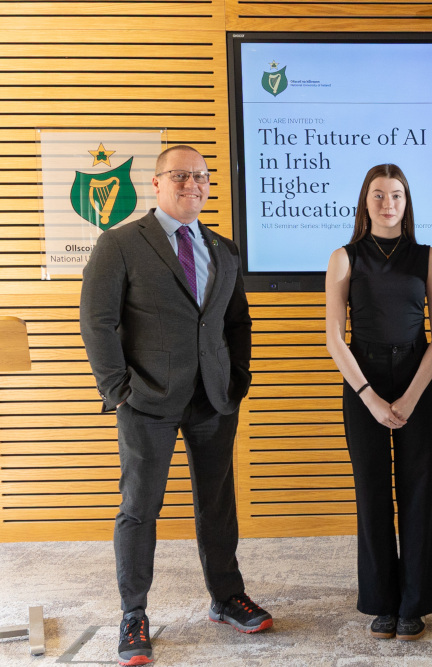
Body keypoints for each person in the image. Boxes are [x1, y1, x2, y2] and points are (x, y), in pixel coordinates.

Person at [80, 145, 272, 666]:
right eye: (182, 175)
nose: (194, 184)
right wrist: (117, 388)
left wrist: (238, 378)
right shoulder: (119, 244)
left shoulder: (224, 249)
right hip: (147, 399)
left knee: (217, 505)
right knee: (140, 508)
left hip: (213, 398)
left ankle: (226, 597)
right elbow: (96, 321)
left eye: (202, 177)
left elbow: (237, 322)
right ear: (157, 183)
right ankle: (133, 612)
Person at [325, 163, 432, 642]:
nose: (387, 203)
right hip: (363, 379)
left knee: (418, 491)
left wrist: (412, 395)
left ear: (406, 201)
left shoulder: (428, 257)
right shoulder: (344, 257)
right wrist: (371, 398)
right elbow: (336, 338)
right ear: (365, 201)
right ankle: (381, 601)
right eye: (378, 195)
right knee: (372, 493)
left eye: (396, 194)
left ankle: (414, 602)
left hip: (417, 375)